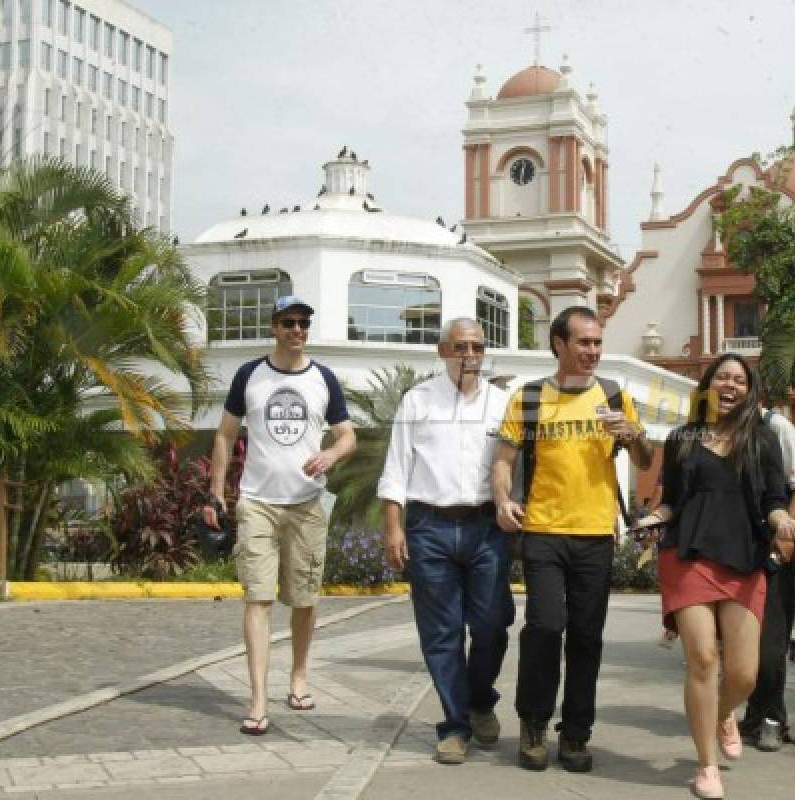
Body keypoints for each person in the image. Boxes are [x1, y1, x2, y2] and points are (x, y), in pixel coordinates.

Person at [491, 306, 653, 773]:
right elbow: (503, 460)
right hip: (542, 531)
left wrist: (633, 434)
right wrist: (503, 502)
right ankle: (534, 722)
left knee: (587, 637)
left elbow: (644, 460)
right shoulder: (529, 398)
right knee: (544, 627)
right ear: (559, 344)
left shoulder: (614, 395)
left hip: (596, 534)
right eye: (583, 342)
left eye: (597, 343)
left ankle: (577, 734)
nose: (593, 351)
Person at [633, 354, 795, 799]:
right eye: (722, 377)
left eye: (739, 381)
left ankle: (724, 713)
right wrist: (652, 520)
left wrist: (782, 519)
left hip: (744, 558)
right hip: (687, 556)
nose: (729, 385)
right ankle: (707, 765)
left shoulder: (762, 440)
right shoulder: (682, 439)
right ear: (707, 385)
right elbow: (672, 503)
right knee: (703, 659)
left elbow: (774, 498)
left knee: (744, 675)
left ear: (749, 391)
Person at [202, 296, 356, 736]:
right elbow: (225, 434)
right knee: (258, 598)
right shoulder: (249, 375)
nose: (297, 330)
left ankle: (299, 677)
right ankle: (256, 701)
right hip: (257, 504)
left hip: (307, 505)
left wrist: (330, 455)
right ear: (274, 327)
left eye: (304, 323)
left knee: (305, 601)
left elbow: (348, 436)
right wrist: (216, 494)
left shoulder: (323, 379)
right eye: (289, 322)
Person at [376, 318, 515, 765]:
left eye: (476, 346)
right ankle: (455, 725)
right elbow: (396, 468)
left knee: (493, 625)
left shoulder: (503, 404)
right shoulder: (417, 401)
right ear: (442, 352)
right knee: (442, 635)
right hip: (429, 528)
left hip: (486, 527)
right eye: (460, 346)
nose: (469, 354)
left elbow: (518, 466)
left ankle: (479, 699)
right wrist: (394, 528)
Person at [736, 399, 795, 753]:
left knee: (771, 644)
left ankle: (772, 720)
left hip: (775, 545)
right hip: (740, 551)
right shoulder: (722, 430)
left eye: (740, 384)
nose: (730, 390)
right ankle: (753, 716)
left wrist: (786, 535)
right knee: (744, 642)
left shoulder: (777, 427)